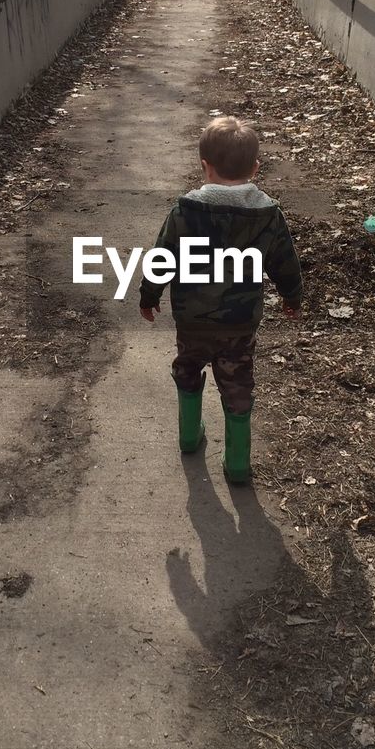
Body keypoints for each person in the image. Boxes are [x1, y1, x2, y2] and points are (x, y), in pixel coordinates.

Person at [139, 115, 303, 483]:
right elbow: (285, 262)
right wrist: (292, 296)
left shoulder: (186, 211)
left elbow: (162, 257)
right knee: (237, 382)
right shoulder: (267, 215)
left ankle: (188, 435)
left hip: (193, 319)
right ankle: (238, 463)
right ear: (256, 168)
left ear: (204, 167)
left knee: (187, 368)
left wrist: (149, 295)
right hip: (240, 322)